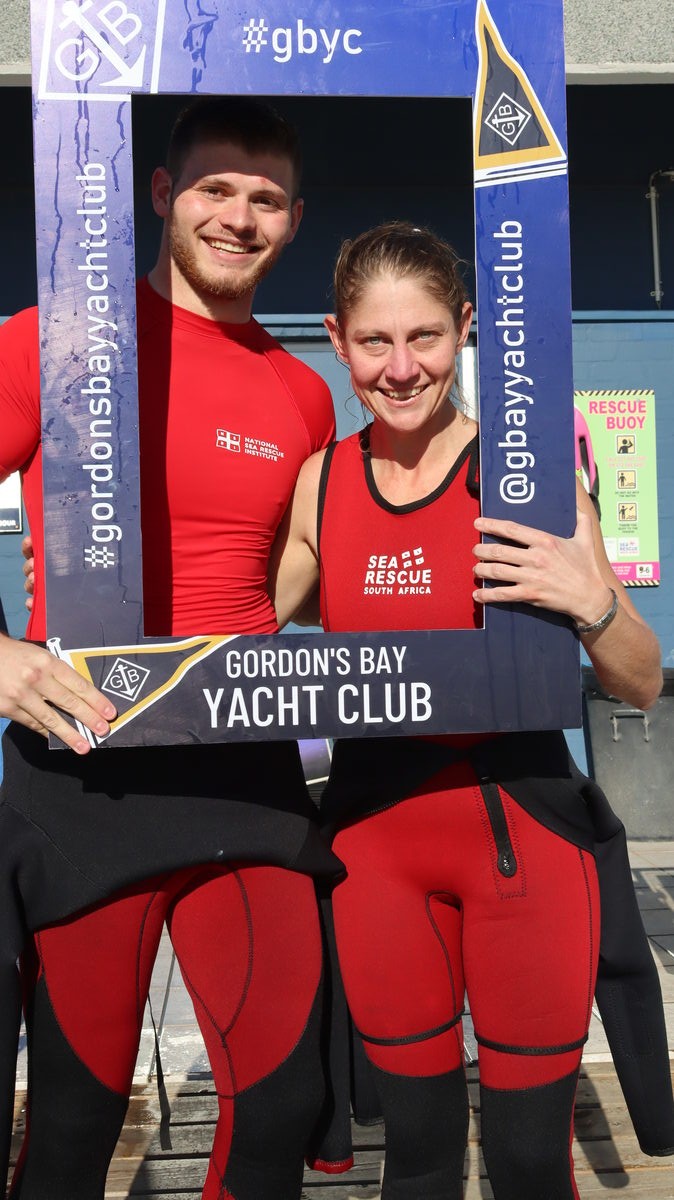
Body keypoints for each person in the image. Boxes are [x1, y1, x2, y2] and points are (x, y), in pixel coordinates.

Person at [268, 222, 672, 1198]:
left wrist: (591, 602)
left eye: (424, 339)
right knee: (413, 1153)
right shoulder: (321, 483)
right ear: (335, 338)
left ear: (463, 329)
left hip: (523, 839)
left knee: (531, 1159)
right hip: (375, 851)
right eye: (373, 342)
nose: (400, 368)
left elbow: (639, 679)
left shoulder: (525, 478)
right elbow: (228, 635)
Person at [0, 96, 347, 1200]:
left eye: (264, 198)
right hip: (83, 775)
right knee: (75, 1115)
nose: (237, 217)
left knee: (284, 1101)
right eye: (213, 188)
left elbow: (286, 579)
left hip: (242, 773)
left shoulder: (301, 396)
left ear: (292, 220)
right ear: (160, 193)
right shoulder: (51, 340)